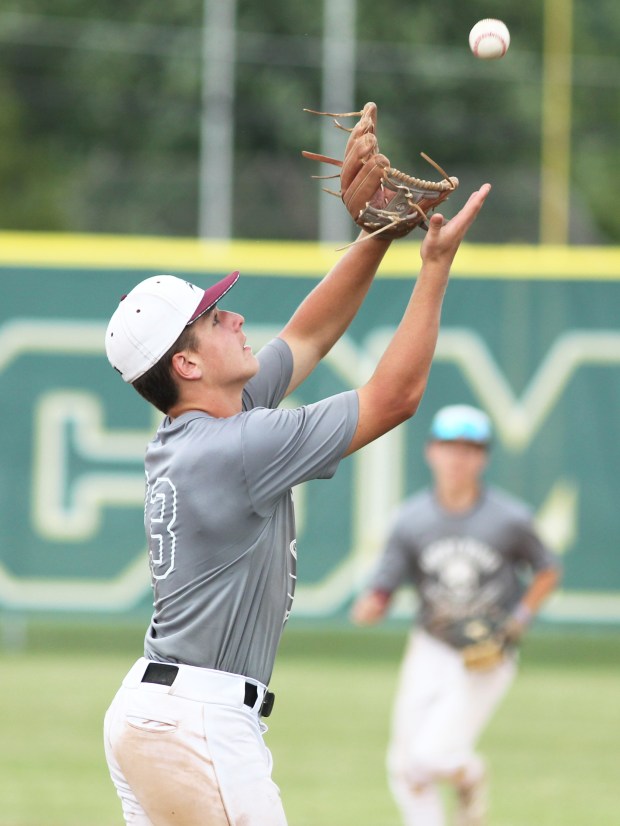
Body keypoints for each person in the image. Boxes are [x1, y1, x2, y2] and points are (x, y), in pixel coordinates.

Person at [101, 174, 491, 825]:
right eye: (215, 319)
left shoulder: (212, 423)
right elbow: (393, 398)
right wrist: (433, 265)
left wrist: (380, 232)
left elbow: (311, 334)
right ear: (188, 366)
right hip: (198, 723)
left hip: (161, 715)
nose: (236, 317)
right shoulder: (234, 448)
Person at [351, 403, 561, 826]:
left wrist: (518, 621)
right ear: (431, 451)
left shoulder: (509, 518)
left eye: (470, 448)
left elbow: (547, 569)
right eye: (450, 446)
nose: (458, 457)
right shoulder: (411, 519)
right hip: (430, 645)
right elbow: (385, 585)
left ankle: (471, 775)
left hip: (485, 652)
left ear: (483, 458)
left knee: (431, 756)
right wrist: (374, 602)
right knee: (405, 767)